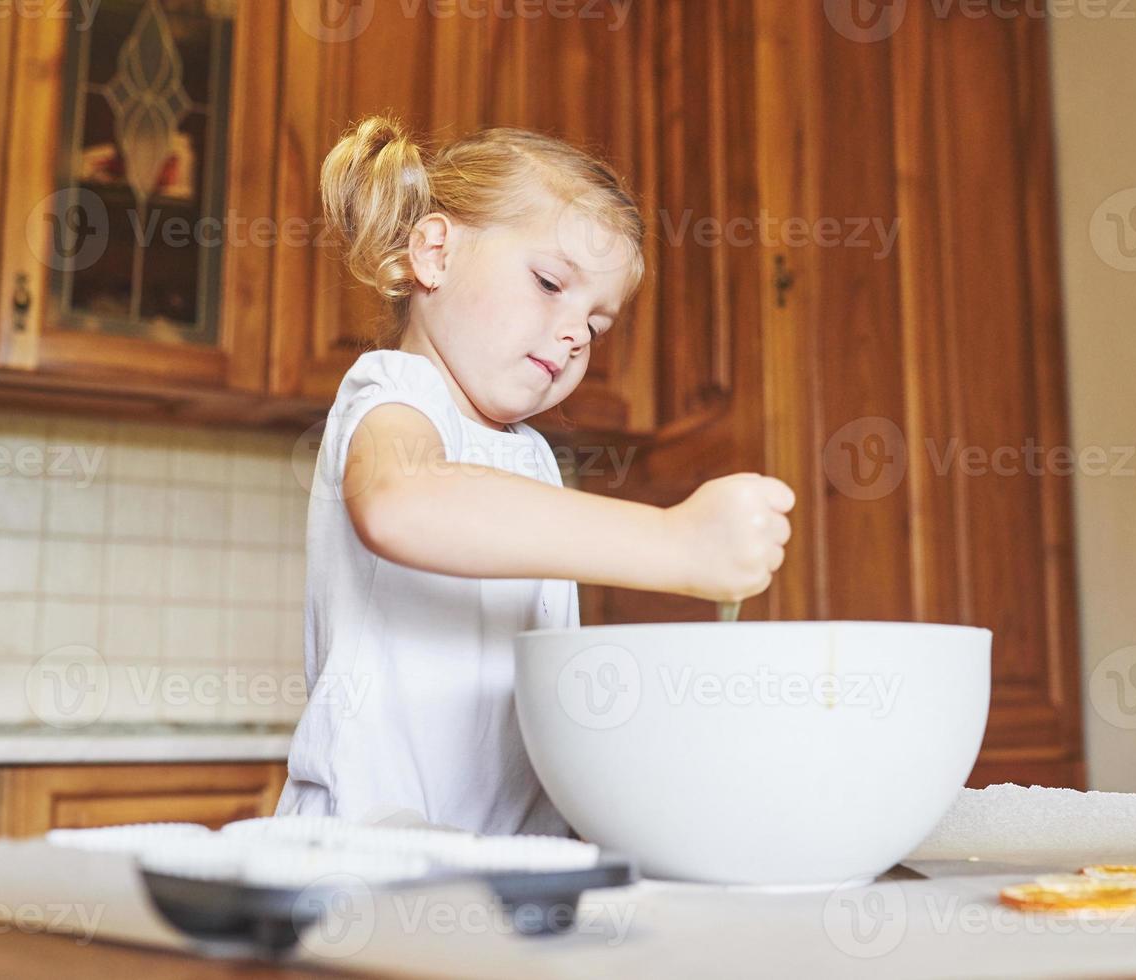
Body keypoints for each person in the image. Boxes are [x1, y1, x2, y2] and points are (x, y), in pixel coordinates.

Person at [276, 116, 794, 835]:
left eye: (598, 323)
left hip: (508, 860)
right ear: (434, 253)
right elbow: (404, 504)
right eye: (551, 283)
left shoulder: (530, 457)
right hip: (368, 846)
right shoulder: (395, 395)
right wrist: (678, 544)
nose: (577, 332)